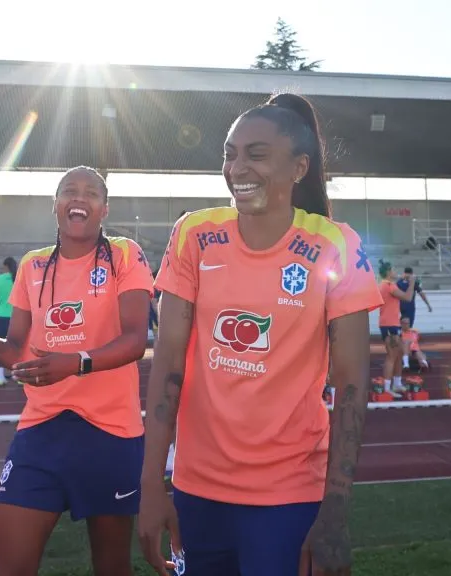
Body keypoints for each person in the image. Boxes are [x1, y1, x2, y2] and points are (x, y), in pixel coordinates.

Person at [137, 93, 383, 576]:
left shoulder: (335, 245)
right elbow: (167, 361)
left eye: (256, 154)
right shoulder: (192, 232)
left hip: (289, 496)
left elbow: (352, 386)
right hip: (196, 491)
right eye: (229, 153)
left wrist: (334, 514)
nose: (236, 167)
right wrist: (151, 484)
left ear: (299, 168)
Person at [0, 166, 153, 576]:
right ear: (55, 205)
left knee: (112, 567)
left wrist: (75, 364)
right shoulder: (32, 265)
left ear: (104, 208)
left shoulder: (125, 254)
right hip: (40, 433)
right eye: (69, 191)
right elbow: (20, 357)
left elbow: (135, 340)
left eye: (91, 192)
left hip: (110, 433)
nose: (80, 198)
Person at [377, 259, 415, 395]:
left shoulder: (386, 285)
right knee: (392, 356)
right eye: (393, 270)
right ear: (388, 272)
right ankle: (387, 388)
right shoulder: (388, 286)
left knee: (398, 354)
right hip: (389, 324)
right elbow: (408, 297)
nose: (395, 272)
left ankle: (397, 383)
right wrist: (412, 283)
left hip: (391, 324)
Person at [0, 257, 17, 386]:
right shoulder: (18, 278)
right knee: (17, 347)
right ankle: (19, 376)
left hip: (0, 316)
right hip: (15, 317)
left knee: (0, 348)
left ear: (5, 266)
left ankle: (0, 378)